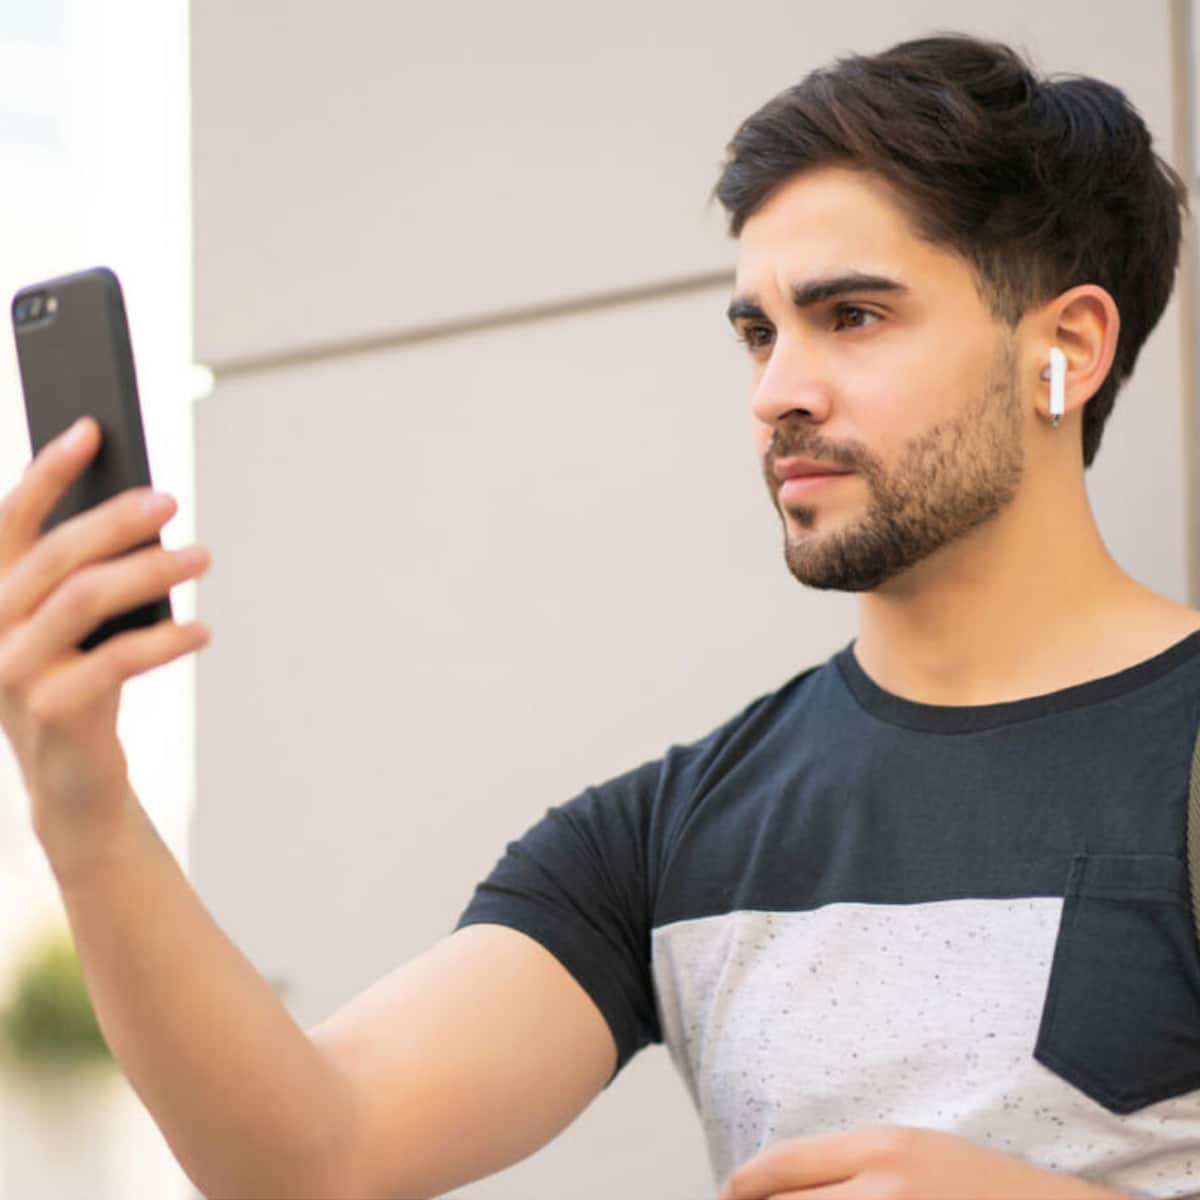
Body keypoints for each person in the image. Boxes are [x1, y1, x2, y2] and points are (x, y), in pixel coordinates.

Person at [1, 28, 1196, 1200]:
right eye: (758, 333)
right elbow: (309, 1161)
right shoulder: (673, 834)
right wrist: (83, 805)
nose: (777, 392)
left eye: (854, 317)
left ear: (1068, 349)